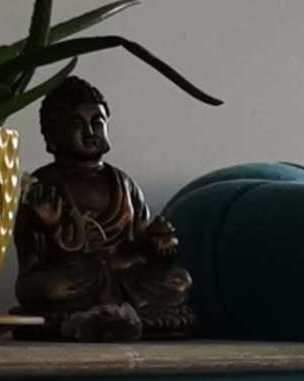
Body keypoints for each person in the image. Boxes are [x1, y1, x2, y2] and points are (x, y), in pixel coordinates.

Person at [13, 73, 194, 339]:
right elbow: (31, 262)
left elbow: (144, 245)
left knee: (179, 281)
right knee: (48, 288)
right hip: (75, 278)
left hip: (126, 275)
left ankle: (103, 318)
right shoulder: (43, 186)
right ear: (53, 136)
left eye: (97, 123)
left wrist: (162, 243)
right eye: (77, 125)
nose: (90, 133)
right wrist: (50, 228)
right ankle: (108, 317)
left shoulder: (123, 183)